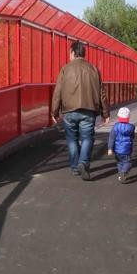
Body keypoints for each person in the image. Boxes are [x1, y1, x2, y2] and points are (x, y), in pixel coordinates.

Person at [51, 40, 109, 180]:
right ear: (83, 53)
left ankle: (75, 167)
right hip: (89, 110)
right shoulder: (94, 69)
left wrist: (54, 111)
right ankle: (83, 162)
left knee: (72, 139)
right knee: (87, 138)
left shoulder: (65, 69)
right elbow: (102, 92)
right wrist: (105, 113)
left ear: (72, 53)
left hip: (69, 110)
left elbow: (58, 91)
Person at [107, 107, 135, 184]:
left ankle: (120, 174)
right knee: (128, 162)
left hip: (117, 150)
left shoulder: (115, 127)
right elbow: (132, 136)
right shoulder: (131, 127)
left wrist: (110, 148)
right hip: (127, 149)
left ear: (118, 117)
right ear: (128, 117)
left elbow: (111, 138)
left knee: (119, 162)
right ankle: (124, 172)